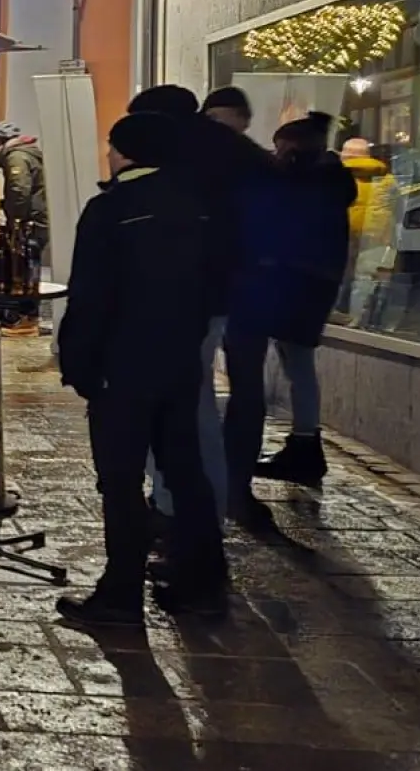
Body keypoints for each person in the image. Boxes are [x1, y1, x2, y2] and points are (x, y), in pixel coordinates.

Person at [56, 112, 228, 626]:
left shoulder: (112, 210)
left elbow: (90, 297)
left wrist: (80, 363)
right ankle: (203, 577)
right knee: (184, 469)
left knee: (121, 479)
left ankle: (121, 591)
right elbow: (214, 286)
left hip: (121, 365)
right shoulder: (198, 206)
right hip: (177, 359)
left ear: (125, 152)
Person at [126, 83, 276, 527]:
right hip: (233, 293)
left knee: (183, 402)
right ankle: (208, 499)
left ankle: (184, 506)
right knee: (201, 398)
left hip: (188, 295)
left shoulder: (183, 158)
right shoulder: (234, 150)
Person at [225, 112, 356, 502]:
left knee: (296, 363)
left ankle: (304, 444)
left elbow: (290, 235)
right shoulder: (327, 182)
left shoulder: (312, 184)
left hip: (297, 285)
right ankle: (304, 442)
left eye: (282, 147)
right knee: (298, 364)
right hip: (307, 285)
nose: (277, 154)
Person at [0, 121, 48, 336]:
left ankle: (25, 318)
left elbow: (19, 189)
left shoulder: (15, 156)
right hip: (37, 219)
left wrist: (14, 221)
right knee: (29, 266)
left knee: (23, 268)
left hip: (29, 222)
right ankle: (25, 314)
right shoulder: (27, 153)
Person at [336, 137, 395, 320]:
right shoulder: (387, 178)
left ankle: (338, 312)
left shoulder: (337, 175)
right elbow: (397, 206)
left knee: (340, 274)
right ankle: (358, 318)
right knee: (365, 277)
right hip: (375, 233)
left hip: (343, 230)